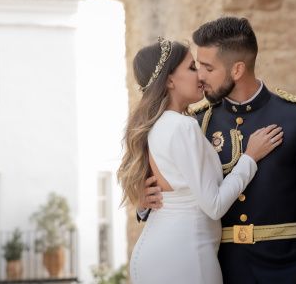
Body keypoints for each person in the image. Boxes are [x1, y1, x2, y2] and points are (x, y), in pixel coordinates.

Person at [139, 17, 296, 283]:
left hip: (286, 267)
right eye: (197, 67)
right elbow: (173, 182)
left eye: (208, 68)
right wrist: (144, 202)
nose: (200, 75)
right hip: (222, 268)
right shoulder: (198, 122)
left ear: (236, 70)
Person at [118, 37, 283, 284]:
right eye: (192, 68)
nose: (200, 76)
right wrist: (250, 157)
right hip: (187, 257)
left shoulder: (155, 125)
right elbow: (214, 205)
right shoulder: (183, 126)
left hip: (155, 253)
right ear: (170, 80)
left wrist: (143, 203)